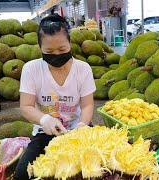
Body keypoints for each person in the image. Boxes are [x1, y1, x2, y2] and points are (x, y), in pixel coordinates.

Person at [14, 14, 96, 179]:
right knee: (23, 175)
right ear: (40, 48)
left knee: (94, 170)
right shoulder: (31, 69)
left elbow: (87, 105)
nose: (57, 55)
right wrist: (45, 120)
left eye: (62, 49)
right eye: (49, 51)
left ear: (70, 44)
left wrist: (82, 125)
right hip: (45, 131)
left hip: (78, 129)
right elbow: (26, 106)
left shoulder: (83, 69)